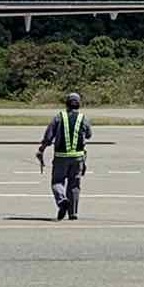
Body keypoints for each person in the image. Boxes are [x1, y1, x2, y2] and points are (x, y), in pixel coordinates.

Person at [37, 92, 92, 220]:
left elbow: (48, 137)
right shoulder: (83, 118)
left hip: (61, 157)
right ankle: (73, 213)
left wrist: (41, 149)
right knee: (74, 184)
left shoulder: (59, 117)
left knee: (57, 182)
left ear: (66, 104)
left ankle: (62, 201)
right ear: (79, 104)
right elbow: (89, 134)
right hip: (78, 157)